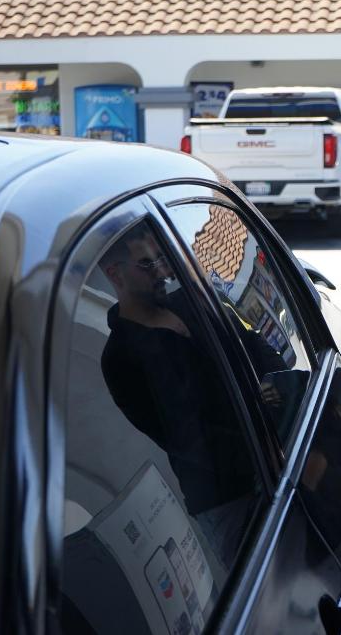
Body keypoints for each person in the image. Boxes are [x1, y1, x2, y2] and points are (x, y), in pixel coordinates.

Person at [98, 223, 278, 567]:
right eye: (147, 264)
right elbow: (187, 438)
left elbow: (252, 343)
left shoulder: (190, 301)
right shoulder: (120, 358)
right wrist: (263, 442)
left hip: (278, 458)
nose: (162, 271)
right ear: (115, 274)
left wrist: (282, 389)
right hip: (226, 498)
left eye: (162, 258)